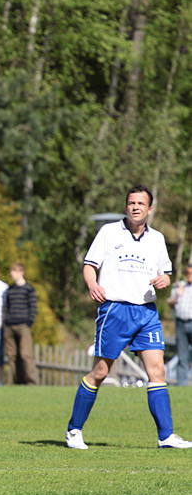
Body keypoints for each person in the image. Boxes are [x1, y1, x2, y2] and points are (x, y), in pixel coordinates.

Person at [66, 184, 192, 449]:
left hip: (146, 311)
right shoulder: (109, 232)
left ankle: (166, 436)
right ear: (126, 206)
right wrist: (92, 284)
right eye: (131, 203)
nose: (135, 207)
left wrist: (163, 280)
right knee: (100, 372)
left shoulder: (156, 238)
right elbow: (90, 266)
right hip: (115, 310)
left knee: (157, 371)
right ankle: (74, 430)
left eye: (141, 204)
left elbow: (166, 274)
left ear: (149, 209)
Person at [3, 263, 39, 385]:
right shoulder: (10, 289)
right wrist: (6, 321)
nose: (12, 273)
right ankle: (17, 381)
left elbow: (33, 307)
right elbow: (6, 307)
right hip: (9, 325)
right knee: (12, 355)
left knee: (25, 354)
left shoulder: (28, 289)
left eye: (15, 271)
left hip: (23, 325)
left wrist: (29, 321)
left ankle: (31, 381)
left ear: (21, 272)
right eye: (11, 271)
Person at [167, 264, 192, 387]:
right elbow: (170, 304)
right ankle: (182, 384)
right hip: (181, 323)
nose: (189, 275)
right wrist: (178, 295)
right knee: (182, 356)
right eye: (187, 272)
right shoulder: (178, 286)